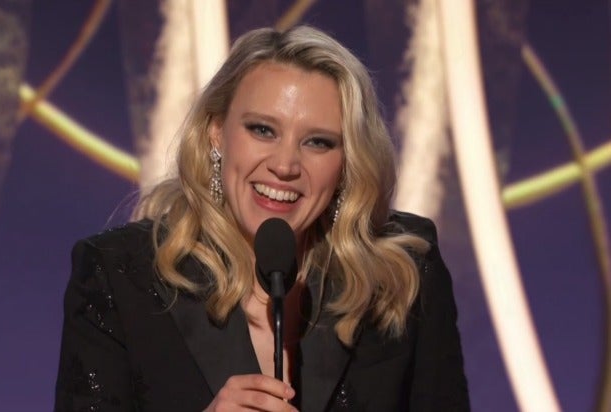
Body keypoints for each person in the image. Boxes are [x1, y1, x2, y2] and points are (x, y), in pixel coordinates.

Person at [55, 25, 469, 411]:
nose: (285, 165)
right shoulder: (119, 276)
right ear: (217, 132)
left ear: (347, 162)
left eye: (318, 142)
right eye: (263, 130)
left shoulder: (402, 274)